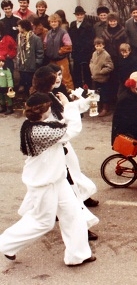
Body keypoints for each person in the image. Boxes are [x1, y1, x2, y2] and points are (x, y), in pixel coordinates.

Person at [0, 92, 95, 266]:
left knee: (74, 214)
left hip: (56, 179)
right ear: (45, 110)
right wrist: (69, 106)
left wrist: (77, 104)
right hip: (43, 183)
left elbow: (60, 124)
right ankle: (5, 244)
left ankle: (77, 255)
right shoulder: (40, 131)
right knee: (43, 222)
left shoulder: (37, 124)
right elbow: (72, 129)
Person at [31, 65, 101, 213]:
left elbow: (64, 111)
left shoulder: (50, 95)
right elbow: (67, 125)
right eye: (54, 77)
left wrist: (86, 102)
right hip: (54, 148)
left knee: (72, 174)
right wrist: (70, 105)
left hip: (60, 146)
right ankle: (73, 212)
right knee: (64, 181)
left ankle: (75, 202)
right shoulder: (43, 101)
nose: (58, 78)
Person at [44, 13, 74, 90]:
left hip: (62, 60)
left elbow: (68, 46)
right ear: (50, 23)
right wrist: (48, 52)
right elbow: (45, 44)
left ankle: (71, 96)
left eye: (55, 21)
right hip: (51, 61)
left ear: (59, 22)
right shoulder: (48, 33)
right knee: (53, 79)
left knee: (66, 78)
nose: (53, 23)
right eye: (52, 22)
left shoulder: (63, 32)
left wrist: (59, 52)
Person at [69, 6, 95, 89]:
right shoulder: (72, 24)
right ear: (75, 15)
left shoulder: (88, 26)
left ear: (84, 15)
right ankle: (78, 89)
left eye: (81, 14)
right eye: (78, 15)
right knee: (77, 73)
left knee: (86, 73)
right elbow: (71, 37)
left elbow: (91, 40)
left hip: (85, 53)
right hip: (76, 53)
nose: (79, 16)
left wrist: (87, 51)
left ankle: (88, 89)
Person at [16, 19, 44, 96]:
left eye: (19, 26)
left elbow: (40, 52)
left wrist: (37, 63)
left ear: (24, 27)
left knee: (31, 83)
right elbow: (18, 50)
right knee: (24, 82)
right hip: (22, 66)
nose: (18, 28)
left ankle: (32, 97)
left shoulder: (35, 38)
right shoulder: (19, 37)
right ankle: (26, 98)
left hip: (31, 66)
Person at [89, 37, 114, 117]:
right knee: (96, 94)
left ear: (103, 45)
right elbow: (91, 62)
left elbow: (110, 66)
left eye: (100, 45)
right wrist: (92, 68)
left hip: (103, 79)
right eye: (96, 46)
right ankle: (97, 108)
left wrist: (101, 72)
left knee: (104, 94)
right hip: (95, 78)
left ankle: (105, 109)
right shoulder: (94, 53)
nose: (98, 47)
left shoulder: (106, 55)